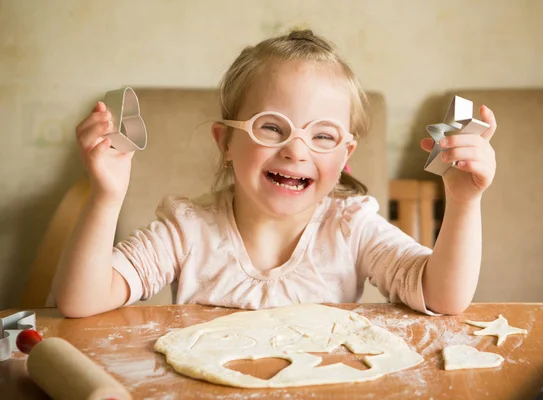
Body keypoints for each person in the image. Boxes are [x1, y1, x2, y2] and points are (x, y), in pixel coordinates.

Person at [54, 30, 497, 318]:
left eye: (322, 136)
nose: (295, 150)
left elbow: (442, 297)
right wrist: (106, 196)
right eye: (271, 127)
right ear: (225, 142)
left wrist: (463, 202)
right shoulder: (187, 230)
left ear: (345, 155)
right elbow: (82, 302)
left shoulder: (350, 228)